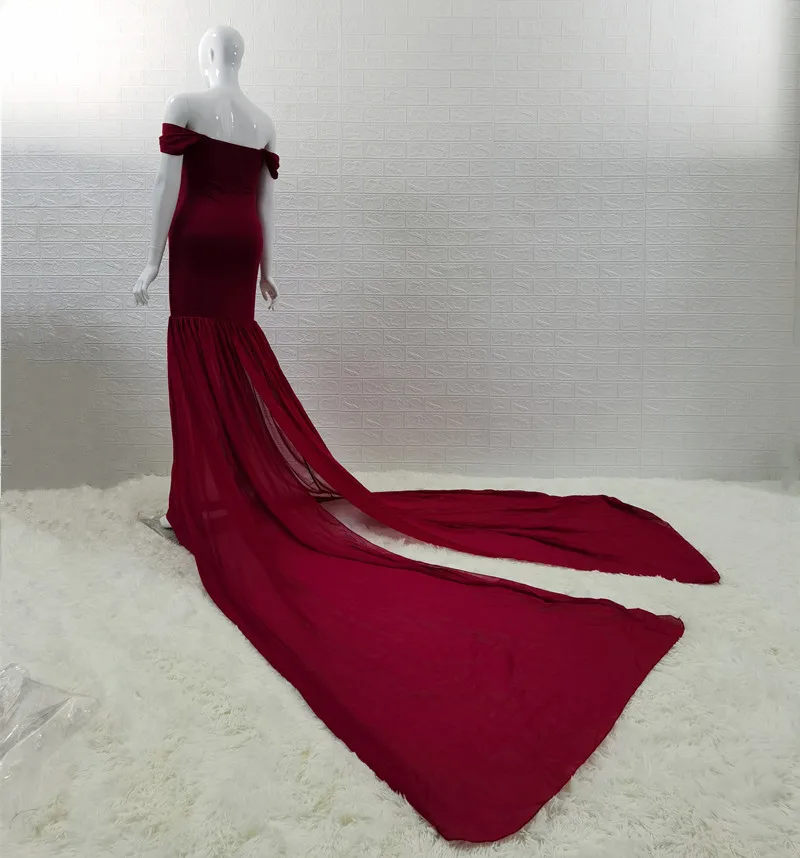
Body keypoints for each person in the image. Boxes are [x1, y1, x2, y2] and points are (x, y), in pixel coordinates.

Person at [132, 24, 719, 844]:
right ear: (242, 59)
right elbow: (266, 204)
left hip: (198, 242)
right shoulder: (261, 119)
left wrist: (149, 261)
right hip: (241, 248)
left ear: (206, 57)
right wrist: (268, 267)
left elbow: (167, 187)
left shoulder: (186, 99)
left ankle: (194, 504)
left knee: (195, 364)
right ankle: (208, 495)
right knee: (232, 357)